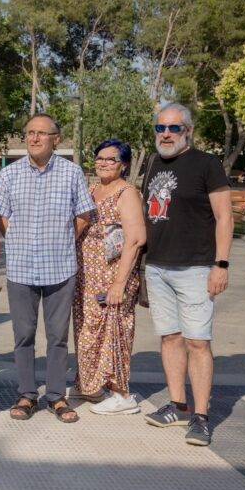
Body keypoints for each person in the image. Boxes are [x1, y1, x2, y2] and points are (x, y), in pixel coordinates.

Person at [0, 113, 95, 424]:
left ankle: (55, 396)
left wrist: (60, 242)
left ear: (56, 138)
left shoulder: (71, 173)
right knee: (23, 335)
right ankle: (27, 394)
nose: (34, 138)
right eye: (30, 133)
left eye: (41, 133)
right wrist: (21, 241)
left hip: (59, 269)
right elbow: (2, 217)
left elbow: (83, 216)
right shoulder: (9, 174)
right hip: (21, 270)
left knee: (57, 336)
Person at [142, 103, 232, 446]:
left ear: (188, 131)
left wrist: (221, 264)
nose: (166, 134)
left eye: (173, 128)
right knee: (170, 337)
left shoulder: (207, 164)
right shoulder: (153, 163)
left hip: (196, 267)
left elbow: (224, 217)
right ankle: (178, 406)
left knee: (197, 341)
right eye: (160, 128)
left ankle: (201, 416)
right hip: (158, 266)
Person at [72, 138, 146, 415]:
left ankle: (121, 393)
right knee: (88, 330)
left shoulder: (127, 193)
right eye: (99, 158)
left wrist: (119, 283)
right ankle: (91, 384)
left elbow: (135, 239)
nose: (103, 163)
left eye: (110, 159)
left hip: (113, 275)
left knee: (114, 330)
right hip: (86, 275)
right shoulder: (91, 190)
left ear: (123, 164)